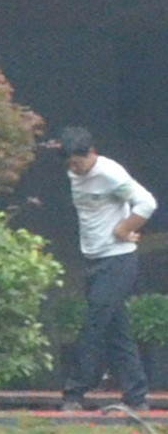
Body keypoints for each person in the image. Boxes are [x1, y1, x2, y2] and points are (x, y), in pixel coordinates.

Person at [57, 128, 153, 412]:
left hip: (118, 260)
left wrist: (123, 229)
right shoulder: (74, 174)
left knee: (95, 324)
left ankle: (75, 391)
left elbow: (147, 203)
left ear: (92, 152)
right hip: (93, 259)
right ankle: (137, 396)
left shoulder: (110, 174)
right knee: (116, 330)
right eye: (69, 164)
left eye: (78, 163)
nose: (75, 170)